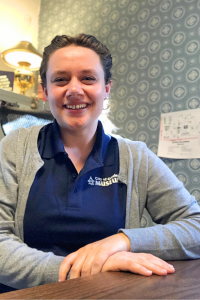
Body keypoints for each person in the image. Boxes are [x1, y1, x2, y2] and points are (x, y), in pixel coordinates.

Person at [0, 33, 200, 293]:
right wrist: (84, 270)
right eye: (61, 79)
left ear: (106, 89)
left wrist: (120, 242)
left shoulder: (135, 157)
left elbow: (195, 225)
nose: (74, 89)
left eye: (88, 78)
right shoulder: (15, 146)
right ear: (45, 91)